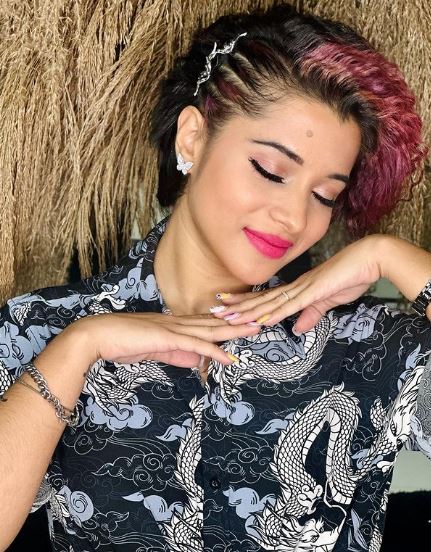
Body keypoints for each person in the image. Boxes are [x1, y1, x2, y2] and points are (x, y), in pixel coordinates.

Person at [1, 3, 430, 551]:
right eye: (270, 171)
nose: (294, 218)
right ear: (192, 138)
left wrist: (390, 257)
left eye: (325, 195)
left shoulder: (370, 346)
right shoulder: (40, 329)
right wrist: (77, 349)